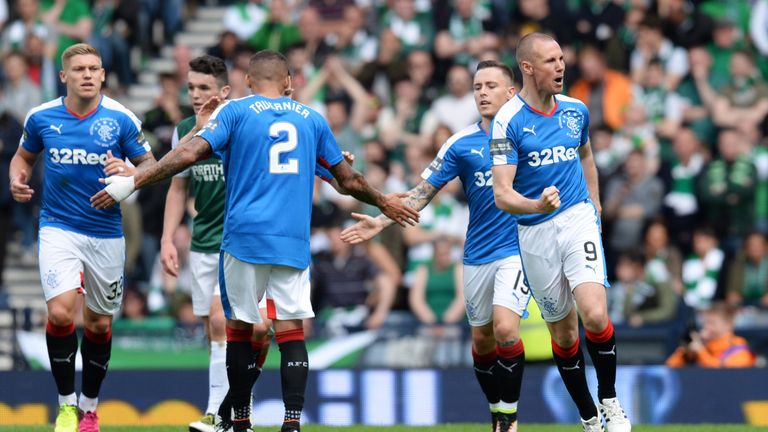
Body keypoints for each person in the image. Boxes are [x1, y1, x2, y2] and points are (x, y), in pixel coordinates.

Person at [90, 49, 419, 432]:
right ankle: (292, 424)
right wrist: (383, 201)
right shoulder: (312, 118)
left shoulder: (235, 112)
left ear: (248, 81)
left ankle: (241, 424)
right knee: (291, 331)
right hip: (292, 240)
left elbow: (189, 153)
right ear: (290, 83)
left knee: (241, 330)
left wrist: (131, 181)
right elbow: (347, 180)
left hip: (244, 237)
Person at [341, 60, 528, 432]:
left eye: (491, 86)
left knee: (507, 330)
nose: (482, 93)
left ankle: (509, 417)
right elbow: (422, 193)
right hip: (476, 253)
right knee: (483, 340)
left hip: (517, 249)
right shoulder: (461, 142)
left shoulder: (531, 135)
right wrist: (380, 220)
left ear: (511, 92)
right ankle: (497, 411)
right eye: (477, 87)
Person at [9, 43, 155, 432]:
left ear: (104, 74)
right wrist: (16, 176)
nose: (88, 74)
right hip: (58, 227)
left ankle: (90, 407)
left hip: (105, 233)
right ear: (64, 77)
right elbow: (24, 156)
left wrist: (129, 172)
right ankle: (66, 406)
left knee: (99, 326)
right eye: (79, 69)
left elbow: (153, 166)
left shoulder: (122, 120)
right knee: (59, 312)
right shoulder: (42, 117)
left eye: (94, 68)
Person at [490, 33, 631, 432]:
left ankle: (610, 400)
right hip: (535, 231)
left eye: (562, 58)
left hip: (576, 218)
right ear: (528, 68)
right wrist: (536, 205)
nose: (561, 67)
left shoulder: (576, 111)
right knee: (566, 334)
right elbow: (502, 194)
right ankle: (588, 415)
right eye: (550, 61)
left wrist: (596, 204)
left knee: (596, 313)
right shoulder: (508, 121)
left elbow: (586, 156)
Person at [162, 54, 233, 432]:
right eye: (190, 87)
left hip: (236, 242)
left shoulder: (239, 124)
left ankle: (216, 413)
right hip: (202, 241)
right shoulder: (185, 129)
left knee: (223, 323)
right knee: (212, 330)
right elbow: (177, 187)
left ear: (223, 91)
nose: (195, 94)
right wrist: (168, 239)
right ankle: (238, 406)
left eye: (203, 87)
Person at [666, 302, 756, 368]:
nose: (707, 327)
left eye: (712, 323)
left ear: (728, 324)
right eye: (705, 323)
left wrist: (701, 351)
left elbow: (721, 375)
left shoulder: (739, 349)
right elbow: (670, 366)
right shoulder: (703, 345)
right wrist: (687, 352)